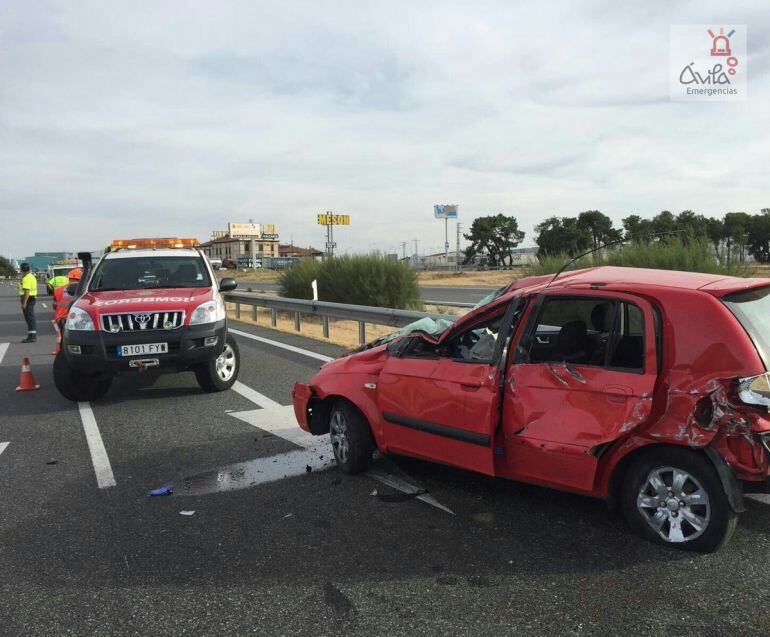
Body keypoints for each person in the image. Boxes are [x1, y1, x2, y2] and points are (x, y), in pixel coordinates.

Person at [52, 268, 82, 355]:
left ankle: (61, 353)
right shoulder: (83, 290)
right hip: (76, 317)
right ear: (80, 279)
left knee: (62, 336)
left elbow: (54, 305)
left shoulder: (58, 290)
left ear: (68, 278)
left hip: (61, 317)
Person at [18, 263, 38, 343]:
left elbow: (27, 291)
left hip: (28, 299)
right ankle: (31, 336)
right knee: (30, 318)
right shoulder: (31, 276)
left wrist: (24, 303)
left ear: (22, 270)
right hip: (31, 299)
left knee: (29, 318)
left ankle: (32, 337)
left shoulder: (26, 278)